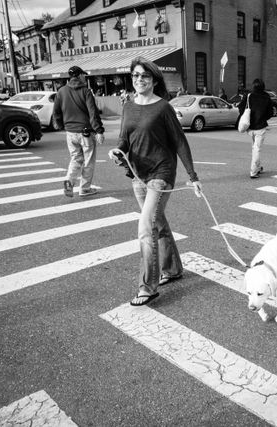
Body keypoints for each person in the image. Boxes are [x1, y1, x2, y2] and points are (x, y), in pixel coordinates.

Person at [108, 57, 203, 307]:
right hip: (138, 174)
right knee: (157, 222)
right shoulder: (128, 106)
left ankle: (147, 286)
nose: (140, 80)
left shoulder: (163, 108)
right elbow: (123, 139)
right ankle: (172, 269)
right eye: (136, 75)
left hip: (161, 174)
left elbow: (180, 142)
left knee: (145, 228)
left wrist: (193, 177)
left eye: (145, 76)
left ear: (154, 80)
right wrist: (118, 150)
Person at [53, 65, 105, 197]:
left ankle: (69, 183)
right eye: (83, 75)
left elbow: (56, 112)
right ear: (80, 75)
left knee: (76, 158)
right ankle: (85, 189)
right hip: (85, 132)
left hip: (70, 132)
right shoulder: (86, 91)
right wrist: (99, 131)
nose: (84, 77)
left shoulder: (61, 91)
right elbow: (93, 113)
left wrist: (60, 125)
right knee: (88, 161)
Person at [237, 78, 273, 179]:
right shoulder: (266, 97)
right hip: (260, 127)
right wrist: (262, 117)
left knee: (255, 147)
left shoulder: (249, 95)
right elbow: (270, 113)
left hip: (250, 127)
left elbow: (240, 108)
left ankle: (258, 167)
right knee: (257, 148)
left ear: (253, 86)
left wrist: (247, 116)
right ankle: (253, 172)